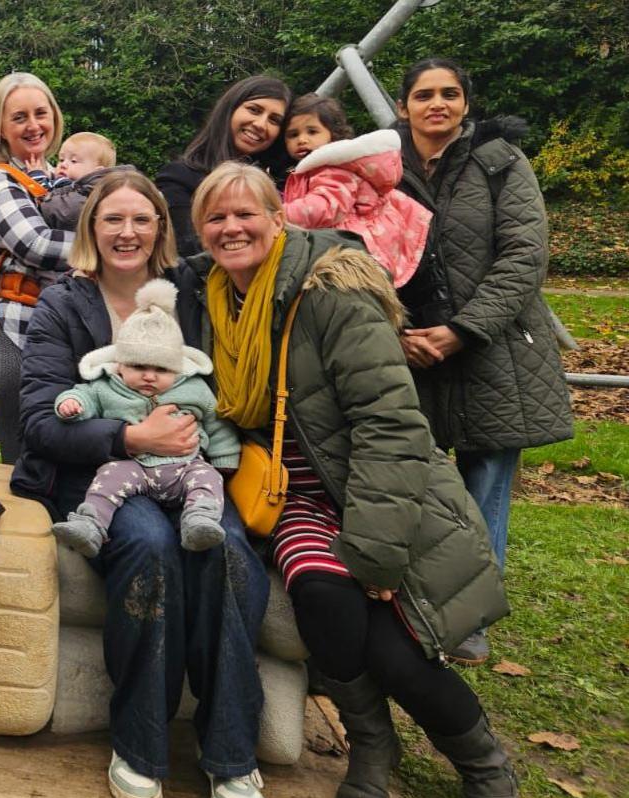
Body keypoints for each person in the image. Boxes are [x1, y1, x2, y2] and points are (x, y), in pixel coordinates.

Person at [187, 161, 526, 798]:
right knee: (325, 600)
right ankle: (374, 739)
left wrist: (374, 544)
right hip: (291, 493)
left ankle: (483, 761)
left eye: (245, 213)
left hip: (372, 484)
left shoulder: (330, 290)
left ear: (279, 218)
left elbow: (389, 423)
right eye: (215, 218)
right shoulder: (215, 298)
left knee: (395, 648)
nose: (231, 229)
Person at [11, 167, 269, 798]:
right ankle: (141, 743)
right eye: (112, 219)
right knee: (151, 545)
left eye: (141, 220)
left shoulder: (194, 298)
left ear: (161, 230)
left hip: (192, 470)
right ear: (92, 230)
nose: (127, 231)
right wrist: (127, 434)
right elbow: (39, 417)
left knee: (230, 550)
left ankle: (232, 753)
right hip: (100, 473)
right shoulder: (64, 306)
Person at [393, 57, 572, 665]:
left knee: (485, 483)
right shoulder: (380, 169)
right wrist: (399, 328)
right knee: (414, 478)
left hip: (491, 350)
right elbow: (361, 249)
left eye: (449, 94)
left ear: (466, 103)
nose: (436, 104)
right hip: (409, 347)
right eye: (424, 95)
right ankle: (412, 599)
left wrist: (464, 329)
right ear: (403, 106)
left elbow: (524, 254)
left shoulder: (502, 164)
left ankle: (469, 618)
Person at [50, 279, 239, 557]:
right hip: (132, 468)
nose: (149, 376)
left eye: (160, 368)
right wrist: (70, 404)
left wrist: (225, 458)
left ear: (177, 368)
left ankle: (199, 521)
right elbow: (84, 396)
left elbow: (216, 423)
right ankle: (90, 525)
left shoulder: (194, 389)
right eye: (138, 366)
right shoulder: (107, 386)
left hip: (184, 467)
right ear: (120, 364)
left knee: (208, 479)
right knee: (106, 479)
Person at [0, 71, 74, 463]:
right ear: (0, 127)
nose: (34, 126)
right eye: (19, 118)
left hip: (73, 326)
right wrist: (109, 248)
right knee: (26, 455)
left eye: (40, 113)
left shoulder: (67, 178)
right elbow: (34, 245)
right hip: (21, 327)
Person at [281, 94, 432, 287]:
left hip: (355, 249)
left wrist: (280, 213)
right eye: (293, 134)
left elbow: (326, 207)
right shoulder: (310, 170)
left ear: (332, 135)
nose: (302, 140)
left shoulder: (333, 169)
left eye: (312, 131)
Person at [156, 75, 291, 258]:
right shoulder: (179, 178)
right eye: (254, 110)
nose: (261, 124)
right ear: (230, 109)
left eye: (274, 120)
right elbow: (189, 252)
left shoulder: (284, 185)